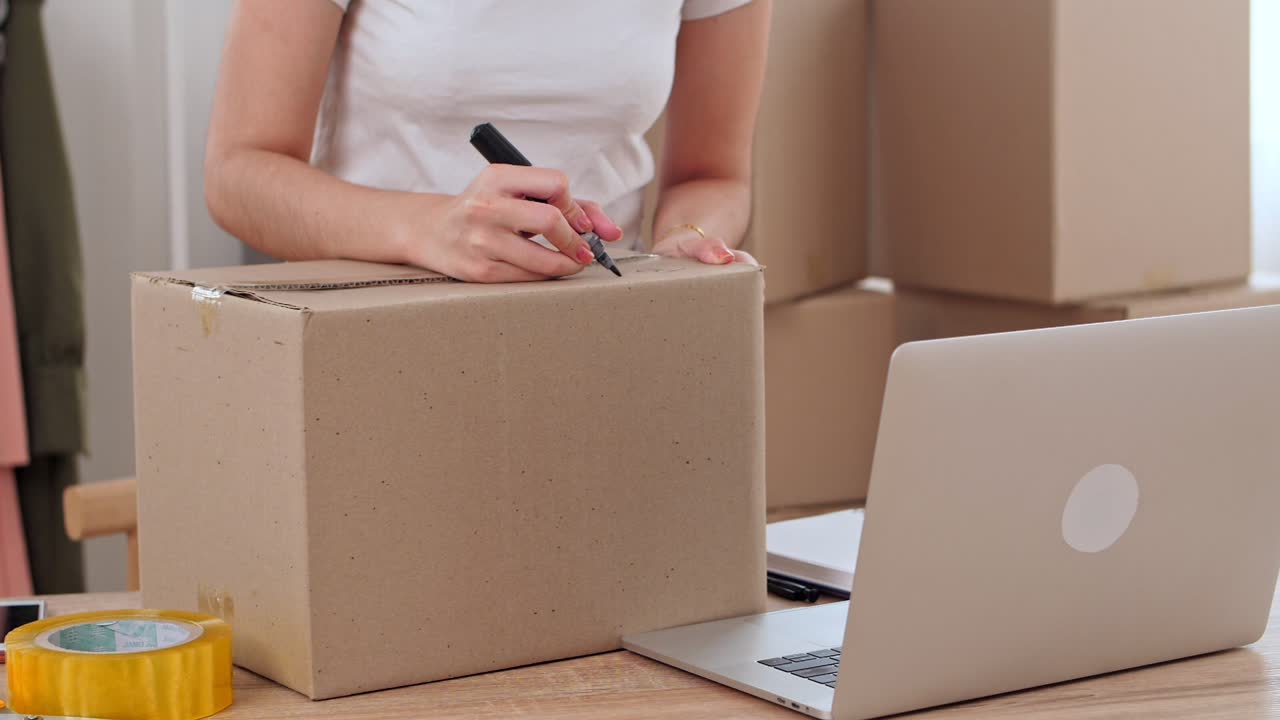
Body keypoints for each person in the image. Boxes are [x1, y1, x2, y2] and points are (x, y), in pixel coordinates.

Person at [204, 0, 769, 282]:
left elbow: (711, 174)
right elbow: (239, 173)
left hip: (597, 325)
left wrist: (686, 243)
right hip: (373, 328)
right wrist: (427, 227)